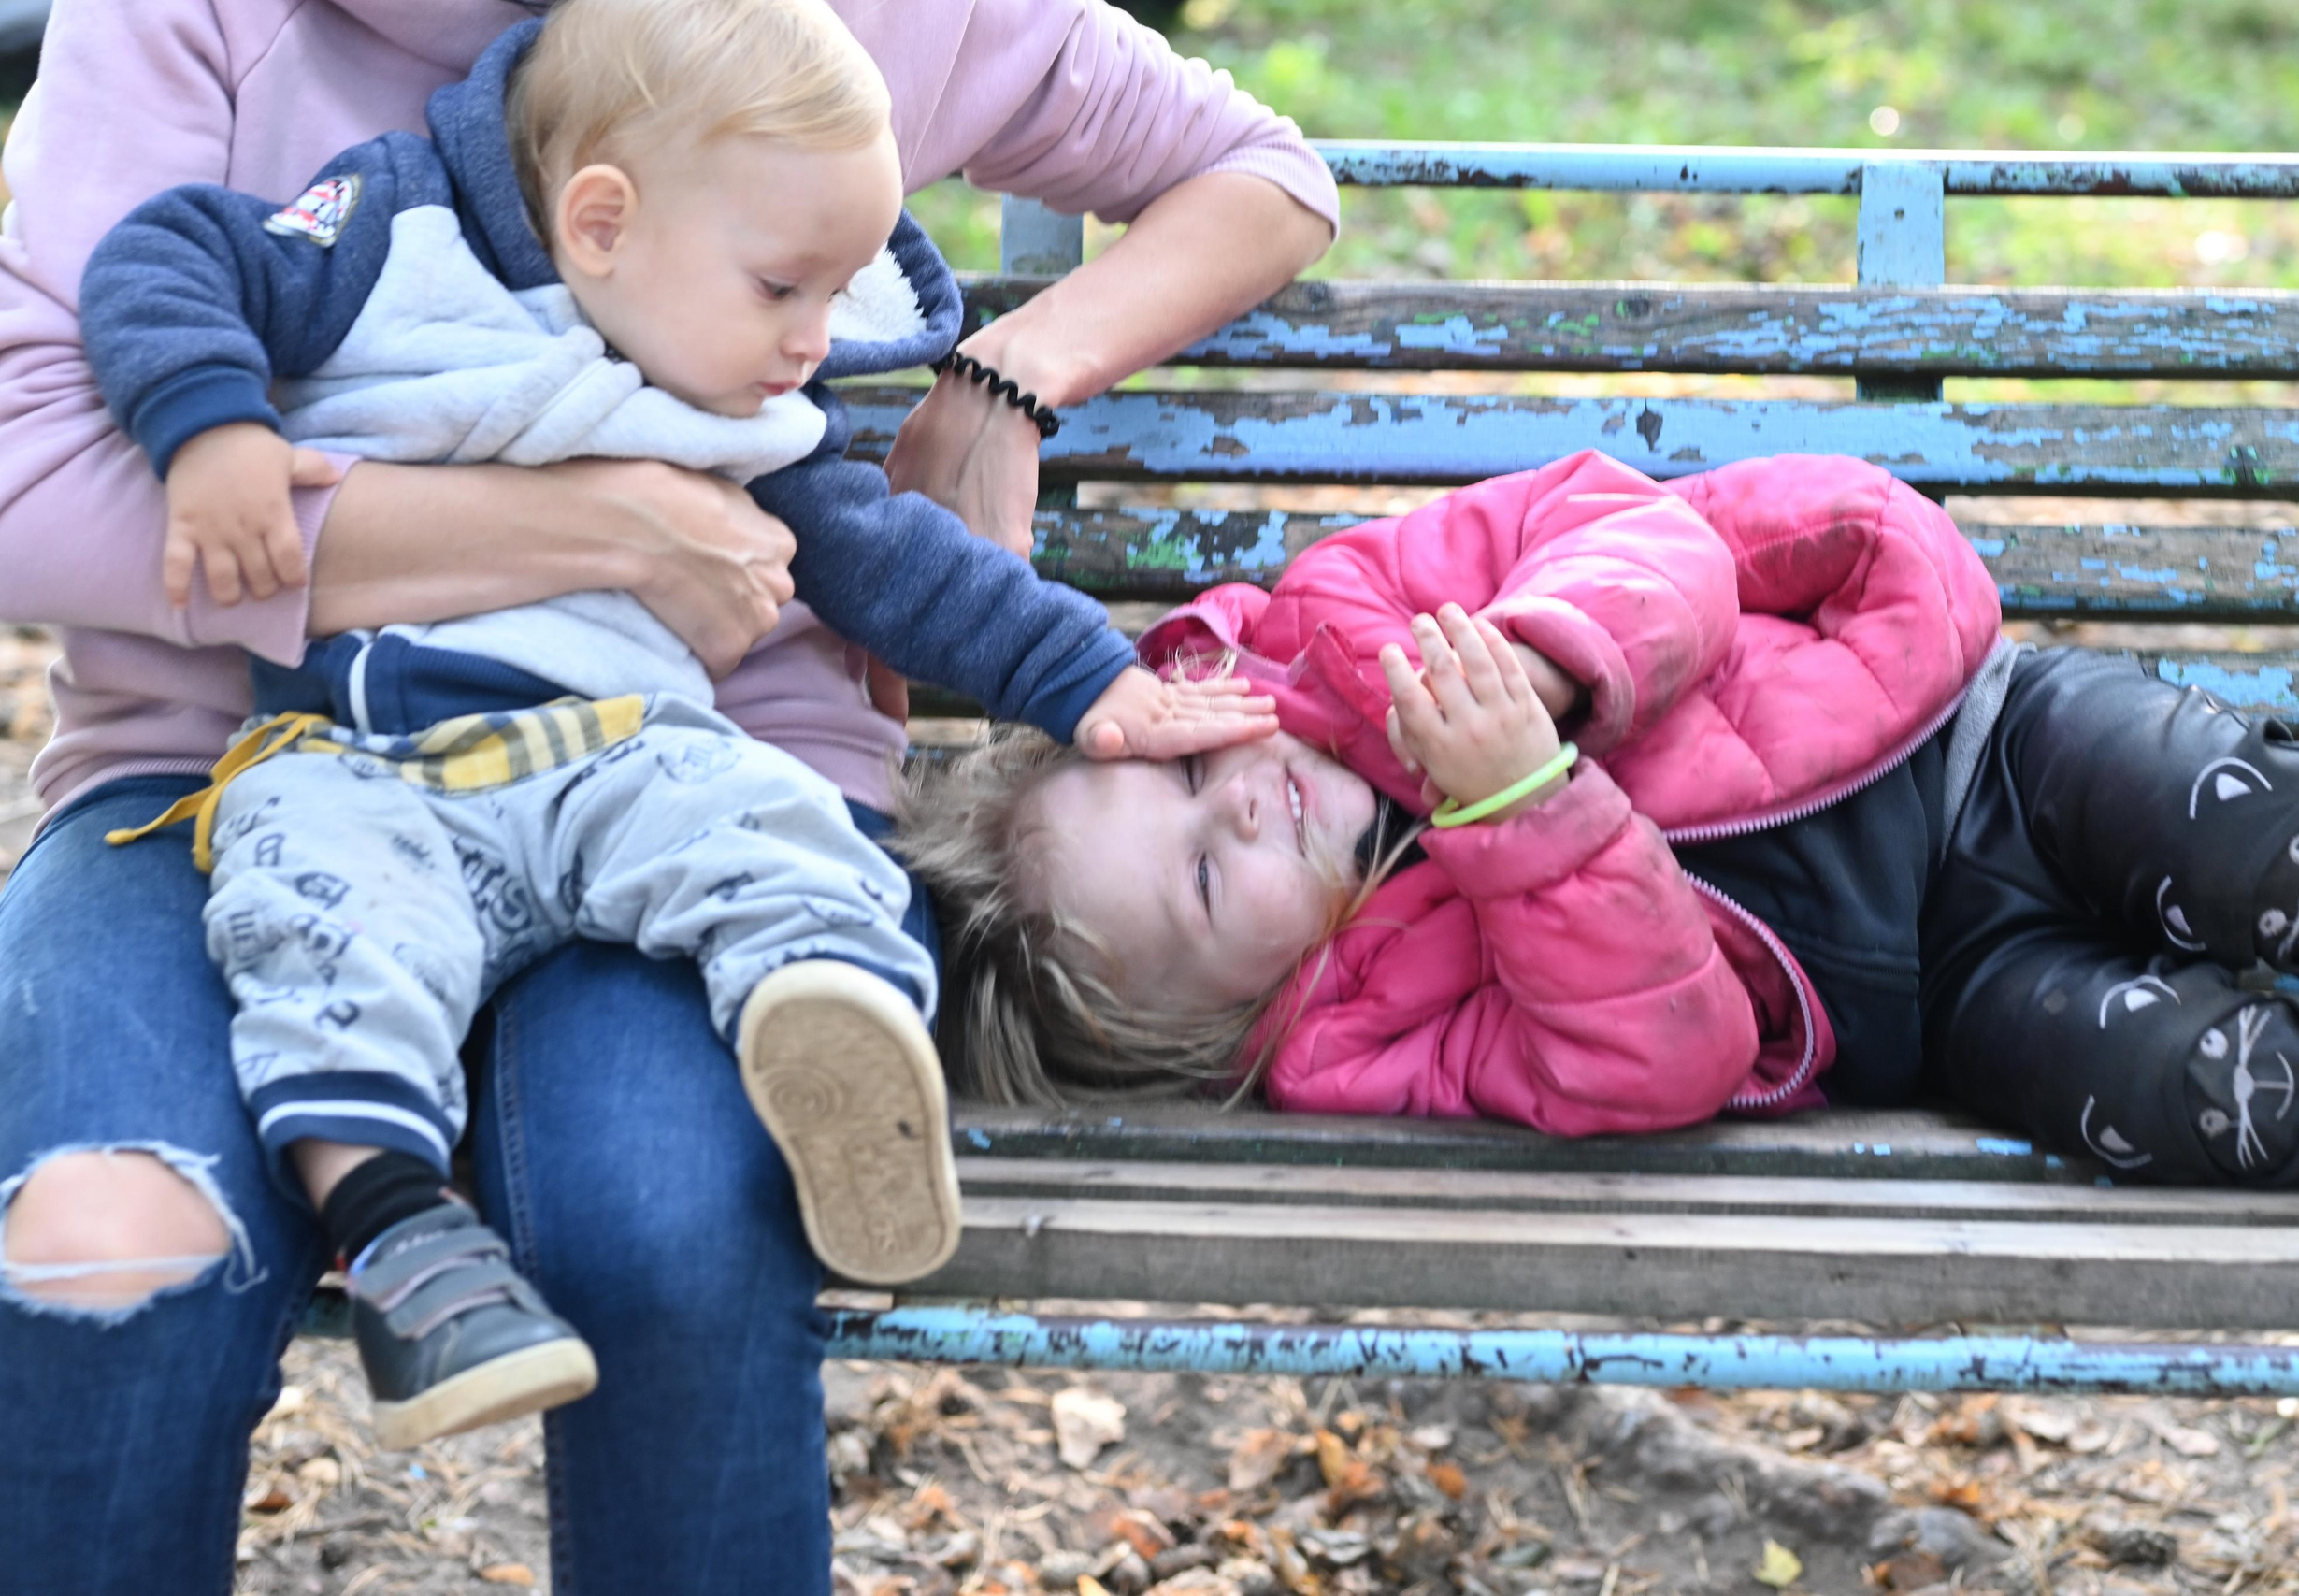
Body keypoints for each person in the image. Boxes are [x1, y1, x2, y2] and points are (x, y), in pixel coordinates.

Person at [0, 0, 1335, 1587]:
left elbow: (1260, 172)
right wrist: (607, 531)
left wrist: (1005, 378)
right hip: (228, 770)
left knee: (673, 1230)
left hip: (695, 766)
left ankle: (829, 987)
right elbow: (32, 482)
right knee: (112, 1254)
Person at [901, 448, 2299, 1186]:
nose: (1241, 806)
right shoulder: (1356, 1046)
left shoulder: (1351, 612)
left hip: (1978, 744)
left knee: (2271, 854)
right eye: (1210, 888)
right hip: (1949, 1006)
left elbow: (1651, 530)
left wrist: (1550, 667)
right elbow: (1668, 1060)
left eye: (1178, 773)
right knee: (2200, 1092)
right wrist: (1515, 813)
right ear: (1223, 1029)